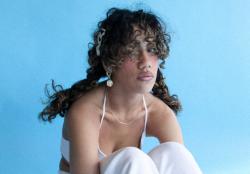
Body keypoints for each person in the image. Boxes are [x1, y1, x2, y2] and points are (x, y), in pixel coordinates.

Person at [39, 7, 203, 174]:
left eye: (151, 49)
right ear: (110, 62)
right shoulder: (85, 113)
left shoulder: (160, 113)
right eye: (131, 50)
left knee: (174, 152)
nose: (145, 62)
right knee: (133, 158)